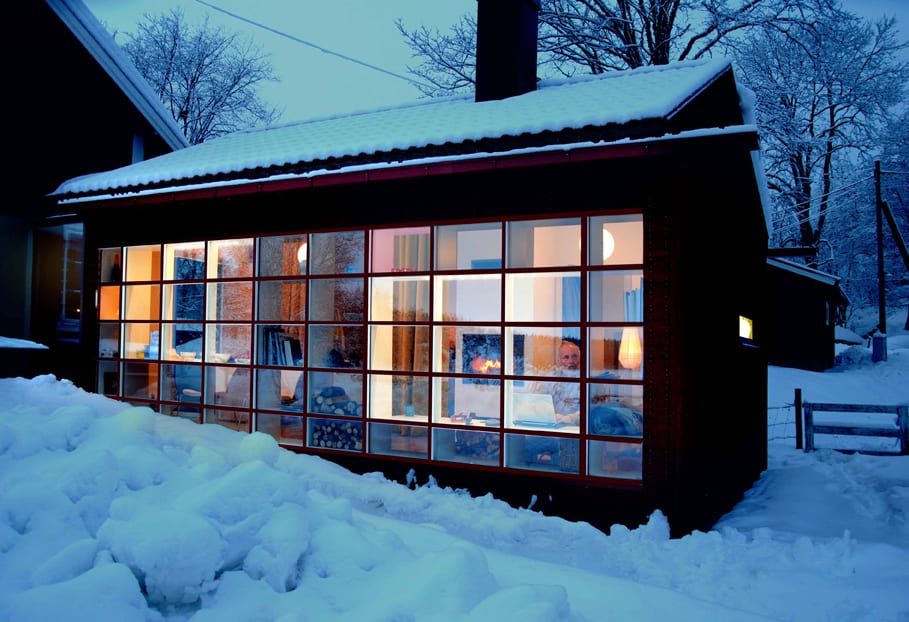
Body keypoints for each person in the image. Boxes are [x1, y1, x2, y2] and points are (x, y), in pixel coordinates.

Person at [530, 338, 581, 425]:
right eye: (566, 357)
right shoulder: (551, 380)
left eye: (574, 356)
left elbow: (589, 410)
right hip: (554, 425)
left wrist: (569, 419)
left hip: (576, 427)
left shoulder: (587, 381)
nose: (571, 361)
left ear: (580, 358)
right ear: (559, 360)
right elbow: (538, 402)